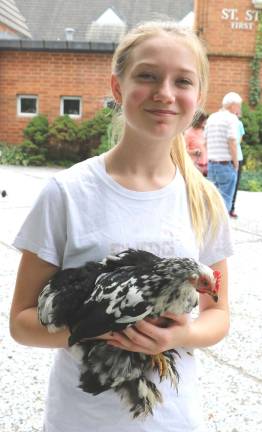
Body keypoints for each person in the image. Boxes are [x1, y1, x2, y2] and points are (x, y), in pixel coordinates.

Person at [10, 21, 233, 432]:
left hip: (172, 419)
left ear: (197, 98)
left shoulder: (205, 199)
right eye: (147, 75)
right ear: (117, 88)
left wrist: (178, 337)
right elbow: (22, 322)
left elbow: (217, 313)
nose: (164, 92)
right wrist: (98, 325)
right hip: (81, 420)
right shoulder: (67, 193)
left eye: (181, 80)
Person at [205, 92, 242, 212]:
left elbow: (205, 140)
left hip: (211, 164)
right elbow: (232, 141)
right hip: (226, 164)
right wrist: (235, 163)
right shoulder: (232, 118)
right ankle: (221, 229)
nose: (239, 109)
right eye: (239, 106)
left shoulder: (212, 117)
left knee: (211, 202)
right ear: (232, 105)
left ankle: (210, 229)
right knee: (225, 203)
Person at [230, 114, 245, 218]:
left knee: (234, 185)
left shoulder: (239, 123)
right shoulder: (229, 122)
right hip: (229, 157)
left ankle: (231, 208)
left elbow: (240, 139)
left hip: (237, 157)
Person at [184, 112, 208, 176]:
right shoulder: (188, 133)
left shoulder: (205, 131)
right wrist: (194, 152)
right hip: (195, 166)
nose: (206, 122)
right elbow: (183, 150)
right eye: (204, 120)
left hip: (207, 166)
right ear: (198, 121)